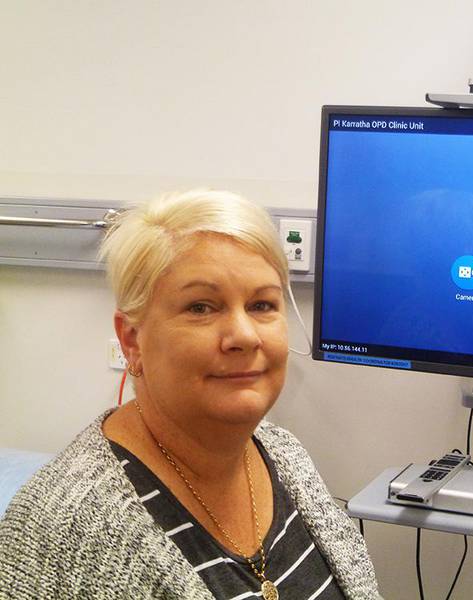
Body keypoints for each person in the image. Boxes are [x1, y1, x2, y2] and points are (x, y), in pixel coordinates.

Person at [0, 190, 381, 599]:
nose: (244, 336)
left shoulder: (282, 453)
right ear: (132, 340)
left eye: (261, 305)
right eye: (201, 307)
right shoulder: (60, 529)